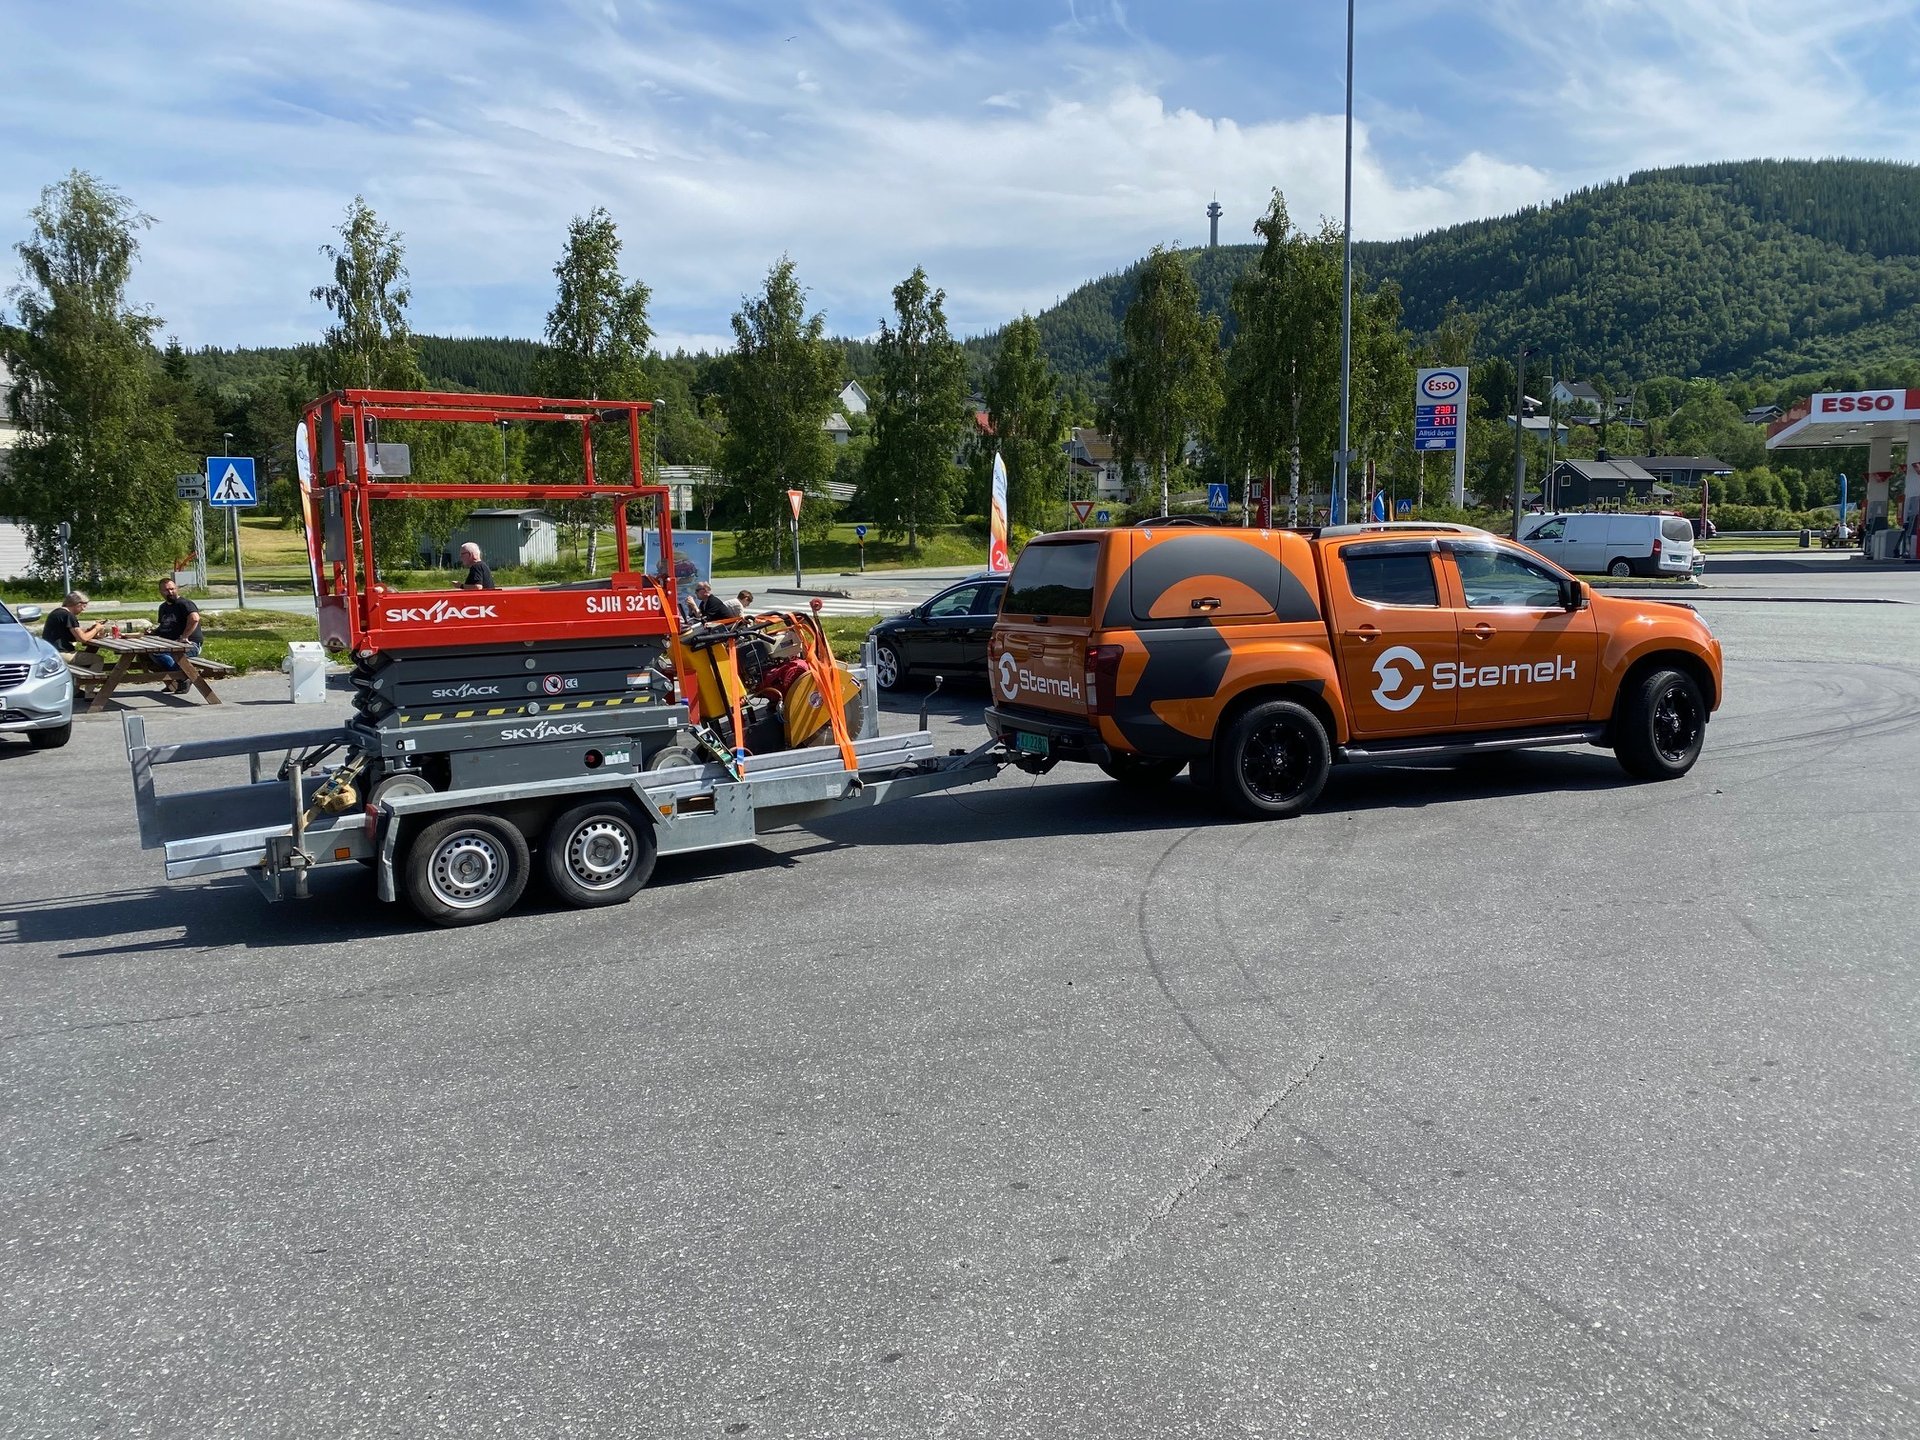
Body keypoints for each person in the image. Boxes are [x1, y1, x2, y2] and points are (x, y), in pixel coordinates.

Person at [153, 577, 203, 693]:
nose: (170, 592)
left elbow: (195, 619)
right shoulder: (163, 607)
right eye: (166, 590)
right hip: (170, 644)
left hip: (190, 644)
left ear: (177, 589)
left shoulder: (185, 604)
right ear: (161, 592)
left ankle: (185, 676)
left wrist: (184, 636)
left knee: (161, 653)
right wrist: (153, 632)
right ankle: (176, 679)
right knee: (149, 655)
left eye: (172, 589)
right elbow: (164, 626)